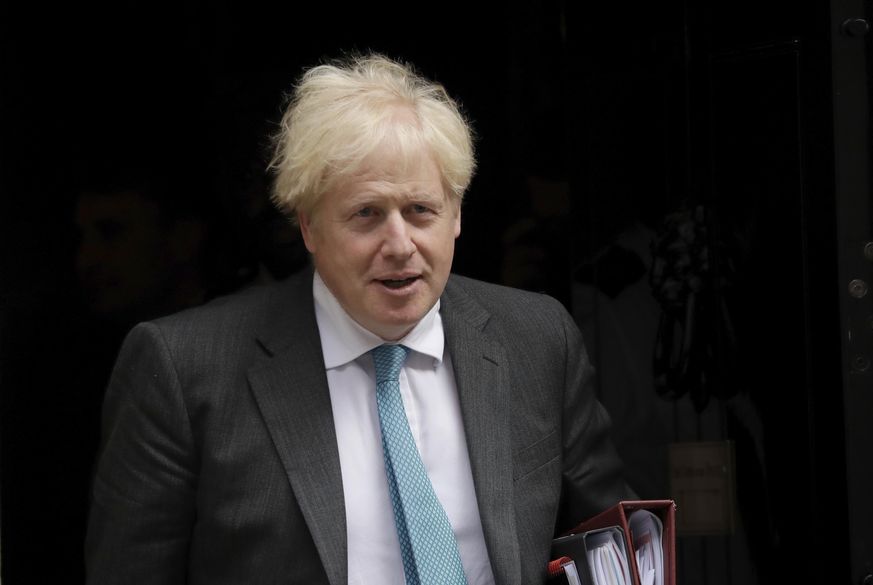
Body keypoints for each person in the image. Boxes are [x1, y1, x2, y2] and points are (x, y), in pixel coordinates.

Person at [85, 53, 633, 585]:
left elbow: (615, 546)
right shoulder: (185, 369)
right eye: (366, 214)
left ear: (458, 214)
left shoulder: (537, 340)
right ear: (308, 227)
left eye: (421, 210)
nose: (400, 245)